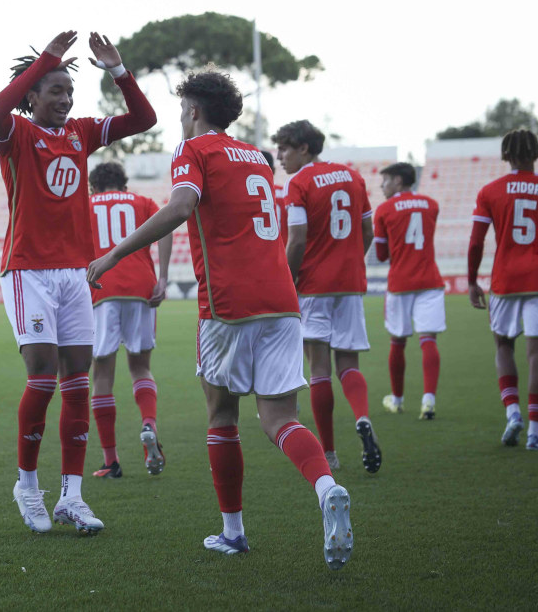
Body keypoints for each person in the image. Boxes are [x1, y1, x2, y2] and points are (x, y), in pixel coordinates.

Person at [87, 68, 352, 569]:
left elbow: (182, 207)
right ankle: (325, 486)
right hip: (282, 301)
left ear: (192, 110)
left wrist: (116, 254)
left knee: (223, 416)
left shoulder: (194, 151)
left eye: (181, 108)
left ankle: (233, 532)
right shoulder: (257, 156)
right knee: (280, 418)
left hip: (228, 305)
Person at [0, 30, 156, 534]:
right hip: (28, 272)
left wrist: (119, 71)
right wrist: (49, 59)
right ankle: (27, 485)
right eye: (54, 90)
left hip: (75, 273)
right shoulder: (15, 134)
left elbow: (144, 120)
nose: (65, 99)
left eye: (69, 92)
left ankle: (73, 497)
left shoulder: (80, 132)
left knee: (77, 384)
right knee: (41, 379)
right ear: (32, 94)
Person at [275, 120, 382, 474]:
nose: (280, 157)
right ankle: (363, 418)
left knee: (319, 368)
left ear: (304, 148)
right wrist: (350, 260)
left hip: (313, 286)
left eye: (285, 149)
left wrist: (287, 279)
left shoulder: (299, 182)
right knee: (349, 363)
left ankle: (331, 453)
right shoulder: (354, 177)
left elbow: (298, 238)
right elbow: (367, 230)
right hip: (349, 283)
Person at [468, 129, 538, 450]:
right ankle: (535, 434)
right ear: (536, 153)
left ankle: (513, 413)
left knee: (503, 347)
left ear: (506, 155)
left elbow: (477, 241)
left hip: (505, 279)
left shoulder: (490, 191)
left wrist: (472, 280)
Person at [85, 160, 171, 479]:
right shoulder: (142, 202)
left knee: (103, 375)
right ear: (123, 184)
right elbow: (166, 229)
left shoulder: (86, 205)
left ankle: (111, 461)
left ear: (94, 186)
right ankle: (149, 422)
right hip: (141, 287)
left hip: (101, 289)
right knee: (140, 366)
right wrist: (162, 278)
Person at [373, 162, 445, 419]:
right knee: (428, 341)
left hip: (401, 282)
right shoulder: (431, 204)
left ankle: (398, 400)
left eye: (386, 181)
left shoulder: (384, 210)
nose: (382, 186)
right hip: (430, 280)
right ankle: (428, 401)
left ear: (399, 182)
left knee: (397, 341)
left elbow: (381, 255)